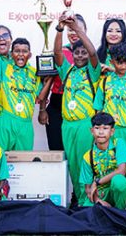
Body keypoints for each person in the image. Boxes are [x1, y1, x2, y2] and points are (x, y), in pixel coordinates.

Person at [53, 13, 101, 206]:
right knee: (73, 164)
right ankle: (79, 199)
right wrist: (59, 28)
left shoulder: (93, 70)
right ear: (72, 55)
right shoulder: (68, 70)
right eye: (77, 53)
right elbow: (57, 53)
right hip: (67, 126)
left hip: (84, 125)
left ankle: (87, 201)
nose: (80, 55)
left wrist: (78, 30)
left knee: (85, 164)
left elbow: (93, 53)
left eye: (83, 53)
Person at [0, 30, 53, 151]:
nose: (21, 54)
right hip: (6, 121)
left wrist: (49, 80)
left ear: (30, 55)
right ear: (12, 54)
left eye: (24, 51)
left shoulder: (35, 73)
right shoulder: (5, 67)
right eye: (17, 51)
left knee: (24, 162)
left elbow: (41, 97)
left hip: (26, 124)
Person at [93, 42, 126, 178]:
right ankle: (110, 196)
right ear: (111, 62)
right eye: (119, 62)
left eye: (125, 62)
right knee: (109, 163)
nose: (123, 66)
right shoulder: (105, 81)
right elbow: (98, 109)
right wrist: (98, 131)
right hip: (108, 130)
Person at [40, 14, 85, 150]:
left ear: (84, 30)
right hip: (57, 104)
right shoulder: (59, 51)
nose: (73, 32)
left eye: (76, 28)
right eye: (70, 29)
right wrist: (42, 109)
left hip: (81, 105)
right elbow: (48, 80)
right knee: (57, 150)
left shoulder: (90, 54)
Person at [79, 112, 126, 209]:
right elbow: (87, 187)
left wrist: (97, 182)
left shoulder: (118, 144)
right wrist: (98, 201)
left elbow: (122, 171)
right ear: (92, 131)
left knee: (119, 181)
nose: (101, 132)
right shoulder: (88, 156)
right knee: (87, 215)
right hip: (98, 194)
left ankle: (120, 213)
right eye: (97, 128)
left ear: (112, 131)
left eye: (105, 128)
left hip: (115, 189)